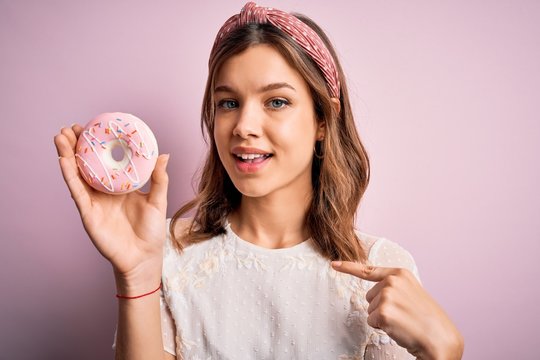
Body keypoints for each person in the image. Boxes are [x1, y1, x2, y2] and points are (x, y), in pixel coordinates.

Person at [54, 2, 464, 359]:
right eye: (228, 103)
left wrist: (443, 352)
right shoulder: (168, 254)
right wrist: (137, 276)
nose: (244, 126)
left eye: (277, 102)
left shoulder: (383, 270)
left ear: (323, 118)